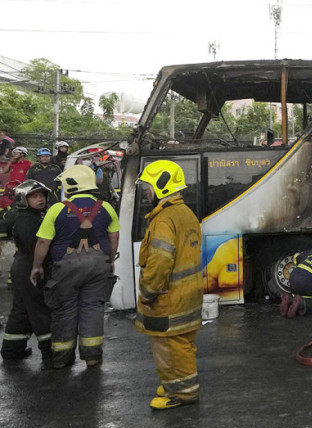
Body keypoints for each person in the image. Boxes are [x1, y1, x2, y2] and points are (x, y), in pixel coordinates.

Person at [31, 164, 119, 369]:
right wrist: (111, 260)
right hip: (99, 266)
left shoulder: (57, 209)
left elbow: (43, 242)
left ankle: (62, 358)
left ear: (70, 185)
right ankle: (92, 357)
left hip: (65, 268)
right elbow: (113, 237)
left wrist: (37, 266)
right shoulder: (106, 207)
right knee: (93, 309)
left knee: (64, 310)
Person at [135, 160, 203, 410]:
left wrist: (148, 291)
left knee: (169, 346)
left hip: (168, 297)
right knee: (183, 343)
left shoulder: (163, 219)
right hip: (188, 295)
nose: (146, 192)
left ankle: (182, 394)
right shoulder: (185, 213)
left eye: (148, 186)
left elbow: (160, 262)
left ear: (161, 187)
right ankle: (174, 382)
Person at [0, 180, 52, 362]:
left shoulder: (31, 216)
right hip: (30, 267)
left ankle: (12, 350)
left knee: (22, 311)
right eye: (34, 196)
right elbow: (36, 247)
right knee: (40, 309)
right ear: (23, 198)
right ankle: (50, 352)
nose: (40, 199)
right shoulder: (27, 220)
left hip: (23, 267)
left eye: (42, 195)